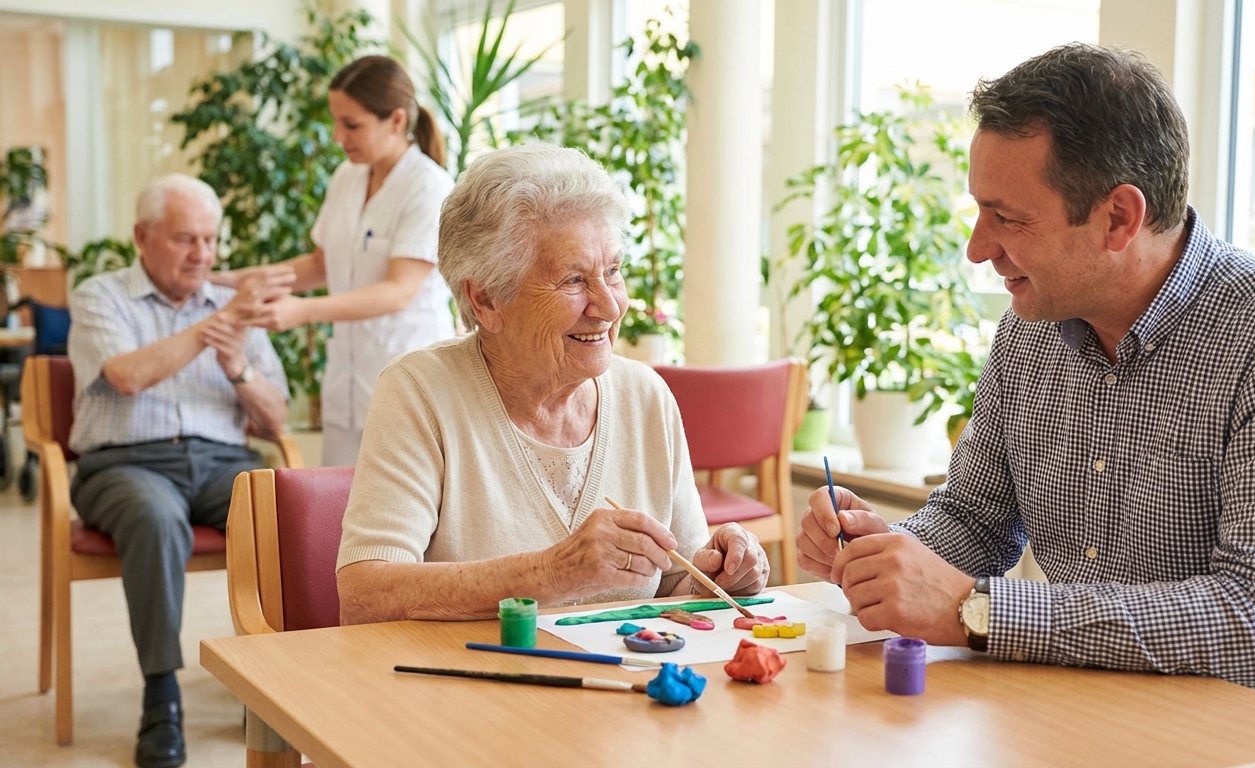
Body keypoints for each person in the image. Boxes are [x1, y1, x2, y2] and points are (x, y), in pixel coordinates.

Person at [798, 43, 1255, 719]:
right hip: (1079, 717)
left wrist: (973, 610)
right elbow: (976, 520)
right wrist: (887, 553)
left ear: (1119, 219)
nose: (977, 248)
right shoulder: (1031, 326)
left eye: (1007, 218)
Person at [335, 143, 768, 622]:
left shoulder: (646, 397)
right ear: (485, 302)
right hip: (470, 685)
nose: (610, 305)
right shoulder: (420, 393)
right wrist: (552, 572)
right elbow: (365, 595)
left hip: (618, 685)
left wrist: (716, 575)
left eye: (613, 271)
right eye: (574, 280)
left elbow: (672, 580)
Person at [67, 174, 291, 767]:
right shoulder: (100, 296)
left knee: (277, 507)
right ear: (142, 237)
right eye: (186, 239)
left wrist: (239, 367)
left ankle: (270, 685)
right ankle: (161, 694)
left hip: (222, 461)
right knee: (155, 515)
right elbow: (127, 376)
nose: (203, 256)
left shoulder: (232, 307)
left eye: (212, 241)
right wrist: (208, 332)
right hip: (125, 465)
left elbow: (277, 419)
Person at [212, 55, 456, 466]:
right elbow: (321, 265)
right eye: (336, 122)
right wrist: (230, 280)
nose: (338, 136)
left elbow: (398, 291)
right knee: (339, 512)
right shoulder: (347, 177)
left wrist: (302, 312)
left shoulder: (428, 187)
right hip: (347, 383)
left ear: (396, 120)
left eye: (352, 125)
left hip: (409, 370)